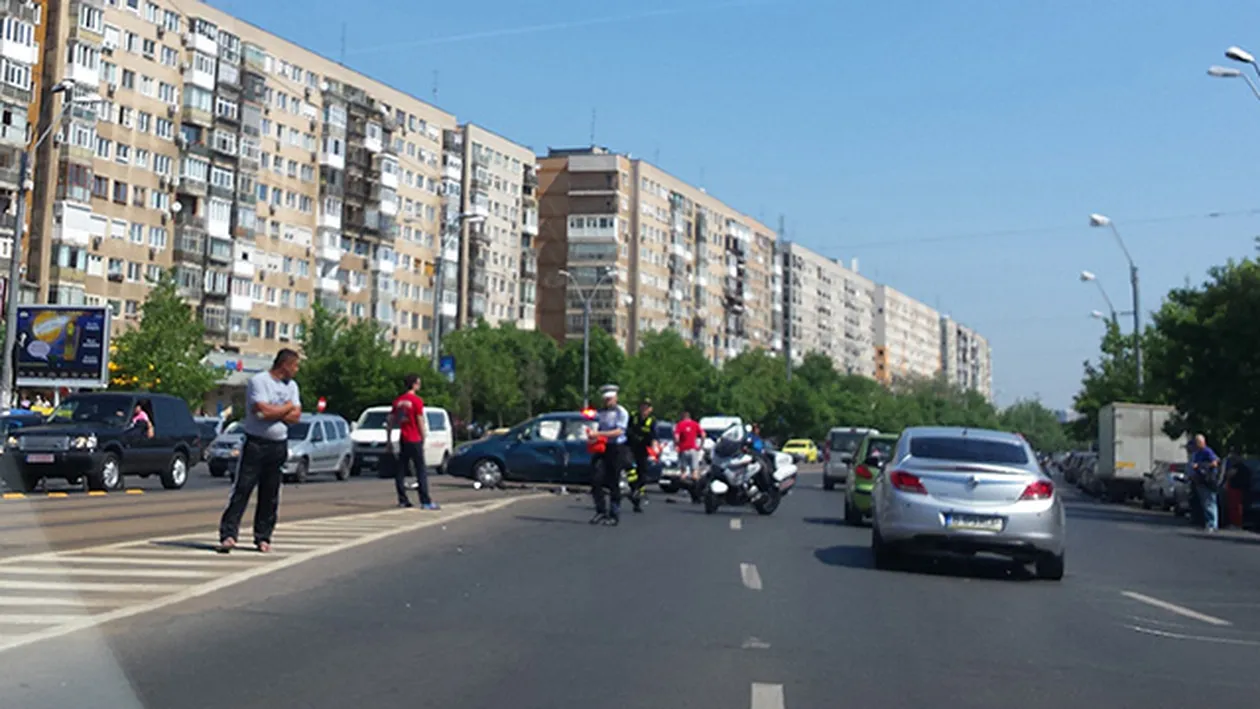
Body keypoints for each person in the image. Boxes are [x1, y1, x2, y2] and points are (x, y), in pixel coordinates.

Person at [218, 349, 301, 553]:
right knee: (243, 489)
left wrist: (277, 412)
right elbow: (261, 411)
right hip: (256, 444)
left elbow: (296, 417)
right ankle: (229, 534)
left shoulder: (292, 386)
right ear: (285, 365)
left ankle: (263, 537)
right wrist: (286, 408)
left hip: (278, 445)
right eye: (295, 366)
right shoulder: (259, 381)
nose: (296, 370)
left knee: (270, 493)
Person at [385, 373, 437, 510]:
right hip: (415, 438)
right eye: (418, 383)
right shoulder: (416, 401)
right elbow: (420, 420)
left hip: (404, 438)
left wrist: (389, 440)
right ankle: (425, 501)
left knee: (401, 470)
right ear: (414, 384)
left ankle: (403, 499)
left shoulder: (398, 401)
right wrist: (424, 436)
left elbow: (390, 421)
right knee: (420, 470)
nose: (419, 385)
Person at [588, 384, 629, 526]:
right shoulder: (601, 412)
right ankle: (600, 510)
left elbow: (619, 431)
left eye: (610, 399)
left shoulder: (621, 412)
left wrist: (599, 434)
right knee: (595, 479)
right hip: (602, 447)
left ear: (616, 398)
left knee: (613, 481)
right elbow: (595, 426)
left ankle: (614, 513)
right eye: (605, 399)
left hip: (616, 448)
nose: (607, 402)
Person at [626, 397, 656, 514]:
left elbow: (653, 436)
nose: (644, 409)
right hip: (630, 447)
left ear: (650, 409)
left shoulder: (651, 421)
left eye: (647, 407)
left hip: (642, 449)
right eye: (643, 406)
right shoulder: (633, 417)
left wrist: (654, 448)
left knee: (642, 473)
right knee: (630, 467)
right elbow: (626, 429)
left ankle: (637, 496)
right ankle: (633, 488)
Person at [1189, 433, 1221, 533]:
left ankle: (1212, 524)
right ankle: (1208, 522)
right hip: (1200, 481)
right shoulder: (1197, 453)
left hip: (1208, 481)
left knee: (1210, 503)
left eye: (1198, 442)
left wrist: (1199, 466)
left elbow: (1215, 462)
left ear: (1202, 442)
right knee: (1205, 503)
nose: (1196, 444)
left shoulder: (1207, 451)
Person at [675, 411, 702, 483]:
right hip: (693, 449)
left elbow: (676, 437)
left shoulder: (680, 424)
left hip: (683, 449)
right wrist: (700, 446)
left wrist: (677, 445)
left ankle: (684, 488)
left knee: (683, 471)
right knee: (694, 471)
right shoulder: (695, 424)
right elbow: (703, 434)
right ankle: (695, 488)